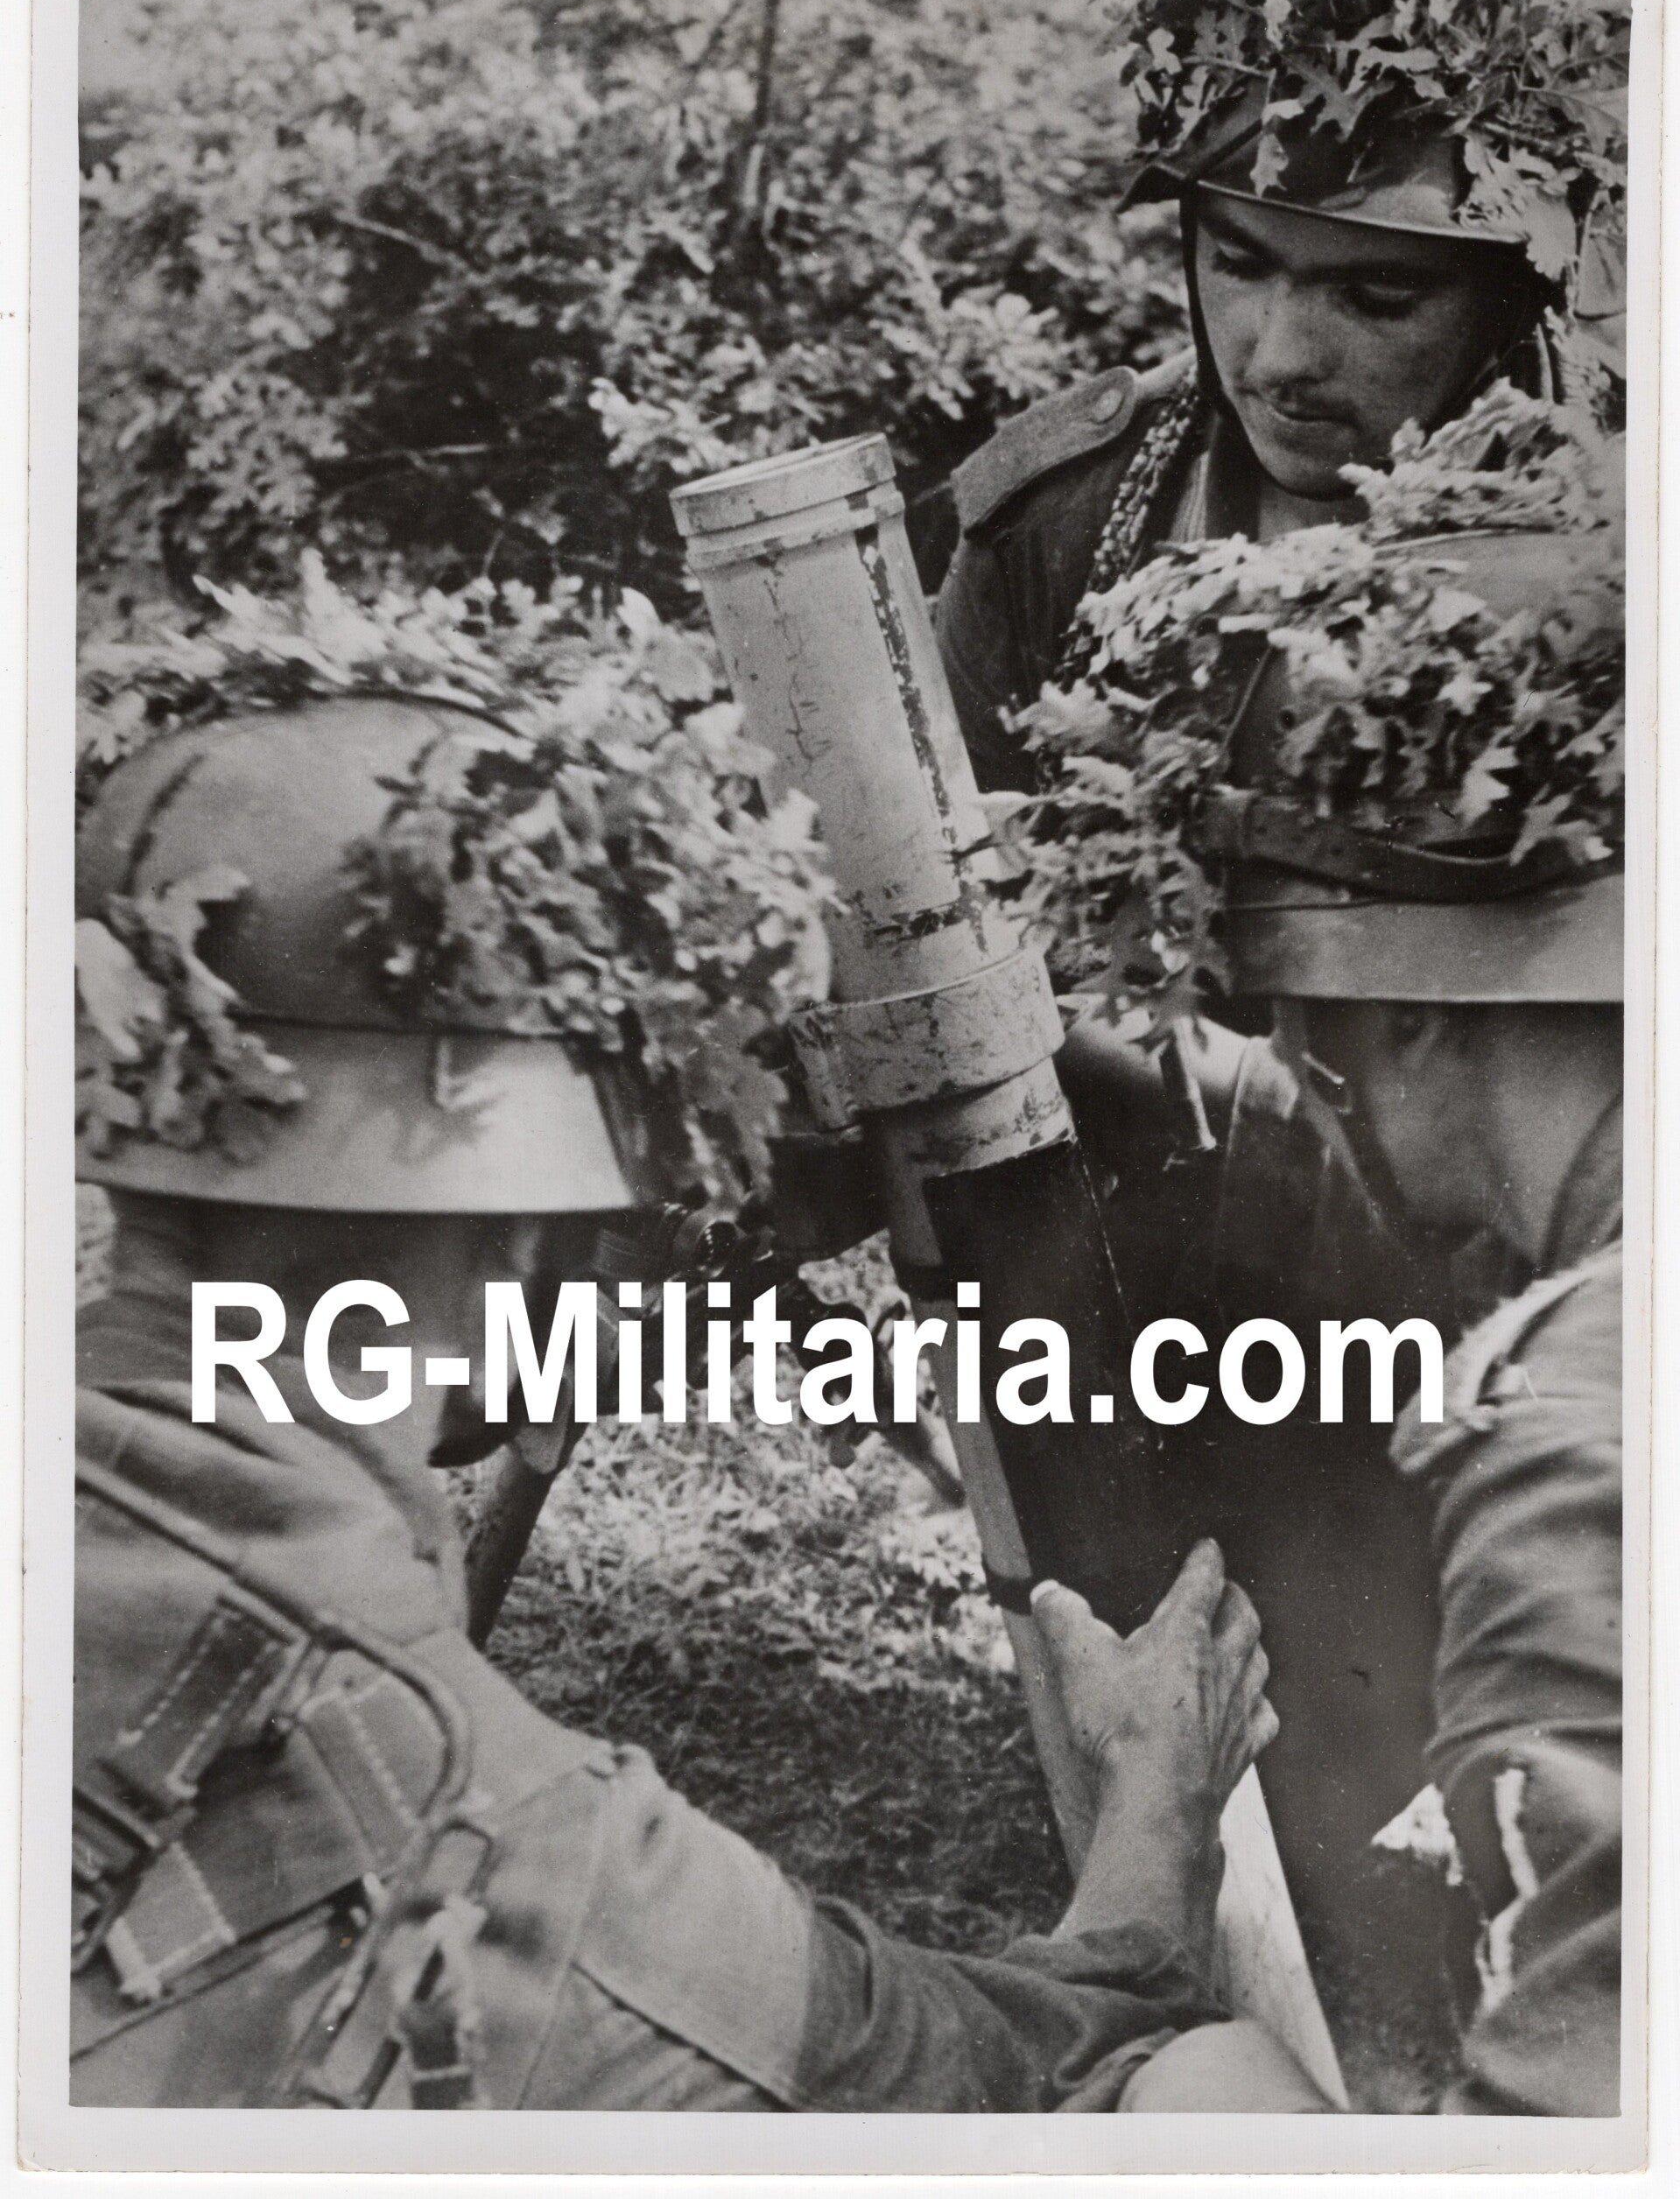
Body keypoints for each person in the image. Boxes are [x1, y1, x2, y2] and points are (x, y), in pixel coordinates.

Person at [71, 694, 1325, 2112]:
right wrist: (1155, 1795)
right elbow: (1010, 2061)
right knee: (1208, 2086)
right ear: (530, 1237)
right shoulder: (513, 1831)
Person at [1024, 505, 1626, 2114]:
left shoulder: (1577, 1430)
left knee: (1178, 2086)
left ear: (1406, 1017)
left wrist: (1144, 1849)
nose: (1292, 1064)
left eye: (1293, 1014)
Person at [935, 0, 1626, 797]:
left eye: (1376, 298)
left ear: (1513, 305)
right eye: (1237, 263)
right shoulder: (1051, 526)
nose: (1277, 361)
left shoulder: (1637, 513)